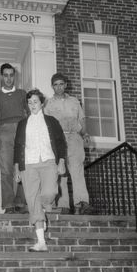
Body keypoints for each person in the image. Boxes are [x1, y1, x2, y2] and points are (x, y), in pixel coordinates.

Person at [14, 89, 67, 252]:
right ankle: (41, 242)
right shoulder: (23, 123)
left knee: (50, 192)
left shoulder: (51, 121)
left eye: (35, 102)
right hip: (28, 165)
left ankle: (42, 209)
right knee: (33, 201)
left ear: (42, 103)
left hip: (48, 161)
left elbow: (60, 142)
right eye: (29, 103)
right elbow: (17, 147)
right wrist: (17, 167)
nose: (32, 105)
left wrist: (62, 161)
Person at [44, 73, 94, 215]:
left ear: (65, 85)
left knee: (77, 170)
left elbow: (82, 120)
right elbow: (46, 124)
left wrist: (85, 134)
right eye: (55, 84)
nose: (58, 87)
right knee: (61, 173)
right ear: (52, 86)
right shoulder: (48, 103)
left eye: (61, 84)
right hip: (58, 140)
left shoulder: (74, 101)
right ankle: (63, 205)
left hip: (74, 139)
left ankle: (82, 203)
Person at [0, 63, 29, 214]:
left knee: (23, 168)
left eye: (11, 75)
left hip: (22, 131)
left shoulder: (21, 94)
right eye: (5, 75)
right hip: (4, 132)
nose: (8, 78)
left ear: (14, 76)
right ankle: (8, 205)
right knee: (6, 169)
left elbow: (29, 113)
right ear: (1, 76)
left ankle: (20, 203)